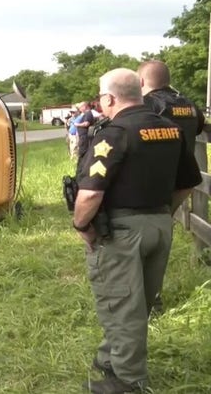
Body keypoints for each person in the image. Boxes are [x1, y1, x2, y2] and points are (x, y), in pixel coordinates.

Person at [72, 68, 201, 393]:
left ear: (109, 98)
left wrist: (81, 225)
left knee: (120, 303)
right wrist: (163, 215)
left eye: (102, 96)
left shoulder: (114, 133)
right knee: (138, 302)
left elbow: (90, 193)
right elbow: (188, 182)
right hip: (159, 225)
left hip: (121, 232)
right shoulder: (170, 129)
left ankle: (128, 381)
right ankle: (109, 357)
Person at [137, 59, 206, 314]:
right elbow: (199, 126)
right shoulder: (187, 103)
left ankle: (147, 302)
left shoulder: (147, 104)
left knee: (140, 241)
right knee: (163, 236)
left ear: (142, 82)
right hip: (180, 181)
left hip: (150, 181)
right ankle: (153, 297)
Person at [74, 100, 96, 173]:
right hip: (82, 137)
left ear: (85, 106)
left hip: (85, 137)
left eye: (80, 107)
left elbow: (86, 124)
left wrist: (77, 124)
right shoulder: (85, 114)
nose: (79, 109)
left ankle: (81, 170)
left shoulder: (88, 114)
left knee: (83, 153)